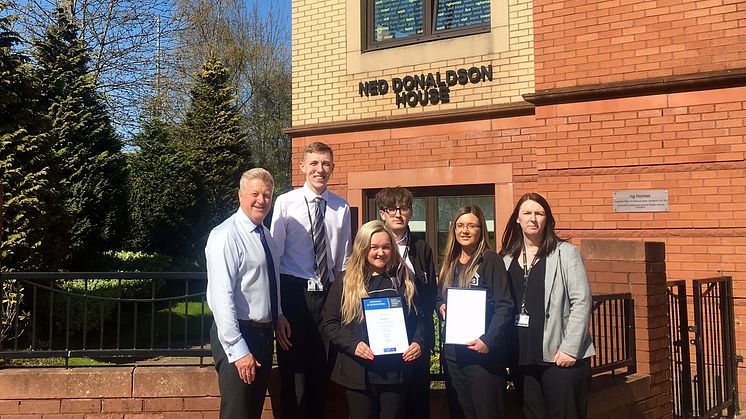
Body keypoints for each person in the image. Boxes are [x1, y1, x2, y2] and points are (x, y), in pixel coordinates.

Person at [270, 142, 352, 419]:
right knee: (293, 373)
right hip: (294, 293)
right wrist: (278, 310)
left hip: (327, 294)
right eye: (314, 163)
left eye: (326, 164)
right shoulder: (285, 203)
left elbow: (343, 261)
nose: (320, 169)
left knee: (321, 372)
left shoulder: (341, 207)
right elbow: (275, 256)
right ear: (303, 167)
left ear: (332, 167)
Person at [499, 192, 595, 419]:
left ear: (547, 219)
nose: (533, 218)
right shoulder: (506, 258)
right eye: (527, 213)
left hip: (560, 358)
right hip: (522, 357)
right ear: (517, 219)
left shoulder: (565, 253)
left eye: (539, 213)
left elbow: (581, 301)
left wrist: (570, 348)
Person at [206, 168, 288, 419]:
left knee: (252, 412)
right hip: (239, 335)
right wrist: (238, 349)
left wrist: (279, 315)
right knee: (237, 413)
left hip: (263, 335)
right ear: (240, 195)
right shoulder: (226, 235)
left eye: (267, 195)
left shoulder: (266, 235)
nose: (261, 200)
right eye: (255, 194)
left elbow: (268, 281)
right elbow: (221, 297)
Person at [322, 220, 425, 419]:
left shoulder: (403, 279)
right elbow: (331, 323)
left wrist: (418, 343)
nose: (381, 253)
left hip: (395, 372)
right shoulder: (346, 281)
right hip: (360, 373)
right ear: (362, 247)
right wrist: (354, 345)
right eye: (374, 247)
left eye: (386, 247)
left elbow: (419, 320)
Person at [436, 205, 513, 419]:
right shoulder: (449, 263)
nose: (465, 231)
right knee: (459, 412)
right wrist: (441, 305)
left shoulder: (490, 260)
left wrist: (488, 340)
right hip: (453, 354)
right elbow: (439, 297)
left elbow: (505, 305)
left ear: (481, 230)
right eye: (460, 225)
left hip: (483, 355)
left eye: (471, 225)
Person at [374, 187, 436, 419]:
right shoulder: (374, 248)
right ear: (383, 214)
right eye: (392, 209)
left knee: (418, 404)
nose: (398, 214)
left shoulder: (422, 248)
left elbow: (429, 295)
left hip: (416, 337)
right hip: (384, 338)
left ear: (411, 213)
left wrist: (422, 338)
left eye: (404, 208)